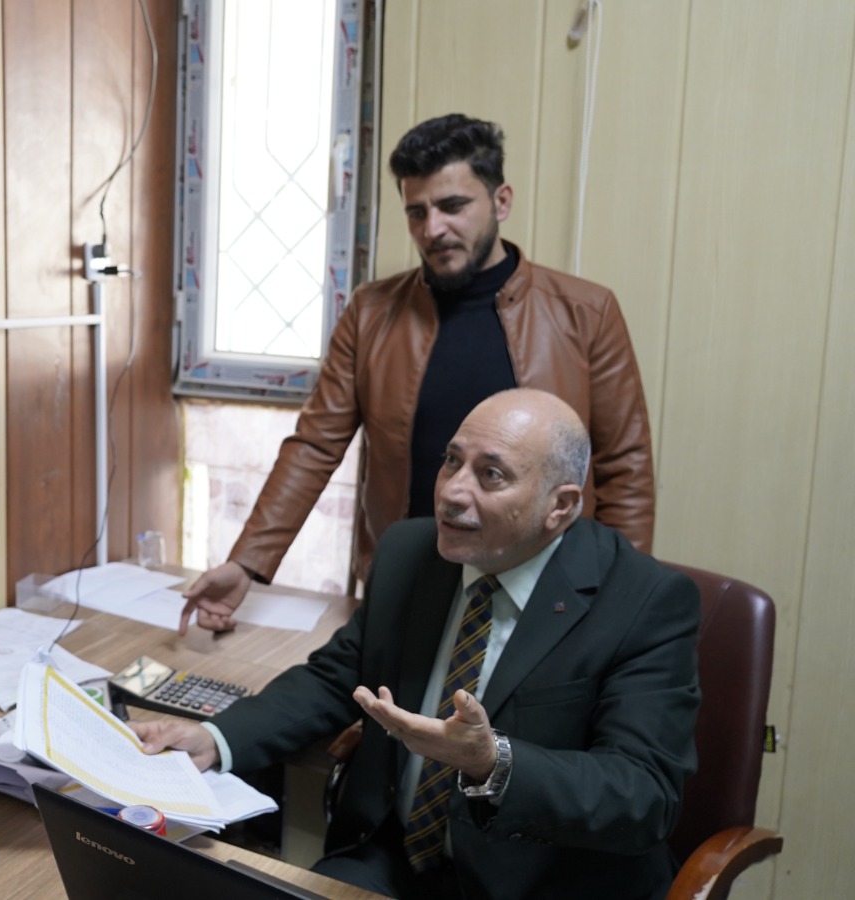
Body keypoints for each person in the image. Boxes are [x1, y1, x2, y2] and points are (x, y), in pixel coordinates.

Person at [137, 389, 699, 899]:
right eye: (452, 460)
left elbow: (644, 795)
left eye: (491, 475)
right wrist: (215, 738)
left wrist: (493, 762)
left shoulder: (645, 602)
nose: (452, 492)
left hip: (539, 883)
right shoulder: (410, 551)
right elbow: (338, 677)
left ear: (561, 506)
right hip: (391, 862)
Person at [180, 114, 655, 634]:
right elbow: (315, 446)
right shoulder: (370, 313)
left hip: (544, 590)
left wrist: (617, 600)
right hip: (409, 584)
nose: (433, 229)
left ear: (501, 202)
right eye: (417, 212)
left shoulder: (585, 313)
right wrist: (247, 561)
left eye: (453, 206)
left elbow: (624, 466)